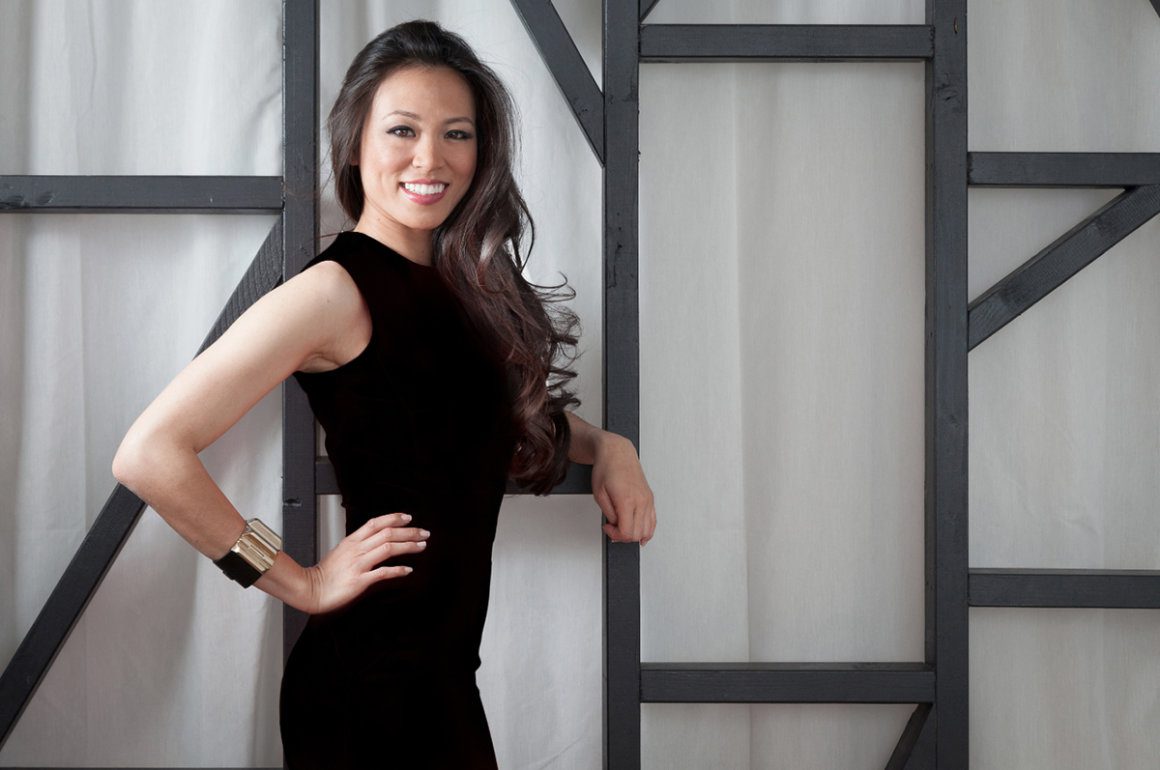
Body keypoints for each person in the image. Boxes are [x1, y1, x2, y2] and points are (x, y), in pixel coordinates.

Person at [110, 18, 656, 769]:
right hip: (365, 690)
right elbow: (148, 453)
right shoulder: (332, 292)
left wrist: (610, 447)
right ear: (355, 142)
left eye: (457, 134)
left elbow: (484, 422)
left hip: (440, 684)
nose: (430, 158)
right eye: (402, 130)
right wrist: (300, 581)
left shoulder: (466, 289)